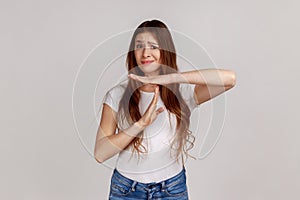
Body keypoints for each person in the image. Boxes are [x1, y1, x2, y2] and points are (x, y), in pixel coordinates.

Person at [94, 19, 236, 200]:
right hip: (127, 190)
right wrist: (140, 124)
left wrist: (170, 79)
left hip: (171, 188)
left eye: (153, 46)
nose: (146, 53)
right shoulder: (117, 94)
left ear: (165, 51)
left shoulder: (181, 92)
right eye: (139, 46)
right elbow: (100, 153)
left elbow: (229, 79)